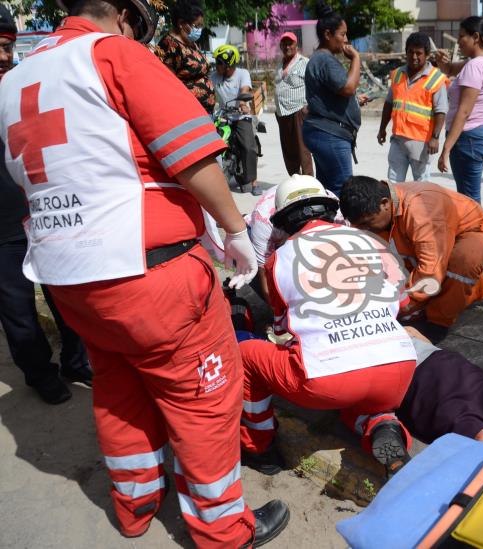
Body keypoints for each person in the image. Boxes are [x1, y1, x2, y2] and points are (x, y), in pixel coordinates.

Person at [0, 0, 288, 546]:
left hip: (69, 279)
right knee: (205, 398)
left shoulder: (16, 78)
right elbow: (193, 153)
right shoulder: (114, 55)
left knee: (118, 387)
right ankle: (224, 530)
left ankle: (133, 509)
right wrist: (232, 229)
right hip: (149, 272)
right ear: (121, 13)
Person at [238, 175, 417, 479]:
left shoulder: (279, 259)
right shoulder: (369, 241)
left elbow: (283, 328)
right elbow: (400, 304)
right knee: (360, 392)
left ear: (284, 221)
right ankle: (381, 423)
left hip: (327, 381)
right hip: (398, 369)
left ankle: (260, 447)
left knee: (245, 355)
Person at [0, 4, 92, 405]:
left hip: (42, 211)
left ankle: (76, 359)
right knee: (17, 308)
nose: (5, 55)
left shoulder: (17, 86)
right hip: (2, 228)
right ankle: (39, 372)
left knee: (67, 292)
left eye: (7, 46)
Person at [339, 176, 483, 343]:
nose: (365, 229)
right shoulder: (372, 211)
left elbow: (431, 271)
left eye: (368, 223)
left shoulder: (422, 212)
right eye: (360, 226)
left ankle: (439, 323)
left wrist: (403, 306)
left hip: (469, 232)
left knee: (462, 263)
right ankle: (476, 280)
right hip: (431, 236)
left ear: (385, 203)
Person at [302, 1, 369, 195]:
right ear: (328, 34)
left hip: (324, 132)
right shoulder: (324, 59)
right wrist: (356, 59)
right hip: (330, 135)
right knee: (343, 191)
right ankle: (340, 225)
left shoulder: (321, 58)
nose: (346, 40)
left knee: (328, 190)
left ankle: (327, 223)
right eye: (342, 34)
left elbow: (333, 96)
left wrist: (355, 102)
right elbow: (348, 87)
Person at [435, 16, 483, 203]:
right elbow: (451, 69)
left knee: (469, 202)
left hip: (468, 139)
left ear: (476, 37)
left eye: (462, 36)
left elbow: (464, 112)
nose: (458, 41)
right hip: (482, 134)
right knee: (469, 198)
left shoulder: (475, 65)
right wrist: (443, 63)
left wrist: (446, 148)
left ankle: (477, 232)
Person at [377, 32, 448, 182]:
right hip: (398, 140)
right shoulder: (397, 75)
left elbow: (440, 111)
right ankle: (397, 206)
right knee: (394, 184)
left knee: (421, 187)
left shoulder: (436, 78)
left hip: (421, 144)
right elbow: (389, 103)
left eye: (419, 53)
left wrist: (435, 138)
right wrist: (382, 128)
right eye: (410, 52)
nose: (414, 56)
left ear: (427, 55)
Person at [211, 44, 262, 196]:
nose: (216, 66)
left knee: (248, 147)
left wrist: (242, 103)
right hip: (222, 116)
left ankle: (253, 182)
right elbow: (208, 90)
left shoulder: (242, 73)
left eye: (219, 62)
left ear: (228, 64)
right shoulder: (214, 76)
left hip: (240, 115)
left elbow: (244, 90)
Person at [155, 0, 215, 114]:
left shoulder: (191, 43)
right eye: (196, 26)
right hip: (188, 113)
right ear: (181, 23)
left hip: (205, 113)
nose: (199, 30)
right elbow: (167, 84)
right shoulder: (170, 45)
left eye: (201, 26)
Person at [274, 32, 313, 177]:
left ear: (296, 45)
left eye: (290, 43)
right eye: (284, 44)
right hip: (282, 113)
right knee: (289, 150)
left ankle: (309, 180)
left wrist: (307, 107)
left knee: (303, 150)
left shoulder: (305, 62)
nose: (287, 46)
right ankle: (295, 179)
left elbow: (314, 85)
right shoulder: (280, 64)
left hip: (298, 111)